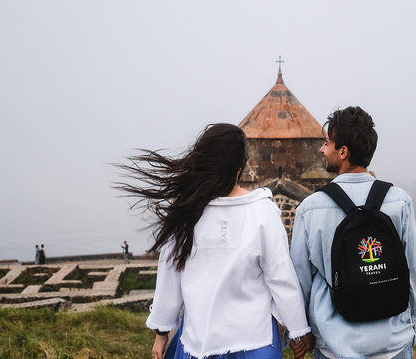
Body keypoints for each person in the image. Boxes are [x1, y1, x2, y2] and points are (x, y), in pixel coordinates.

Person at [115, 123, 313, 359]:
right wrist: (299, 330)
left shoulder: (186, 213)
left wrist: (162, 332)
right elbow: (280, 276)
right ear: (241, 164)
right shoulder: (262, 211)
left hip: (200, 341)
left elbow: (169, 277)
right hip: (255, 339)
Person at [290, 107, 416, 359]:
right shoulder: (399, 201)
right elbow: (411, 273)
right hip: (394, 344)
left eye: (327, 143)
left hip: (334, 347)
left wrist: (301, 333)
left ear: (343, 152)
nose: (321, 149)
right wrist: (410, 325)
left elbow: (300, 281)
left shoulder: (311, 208)